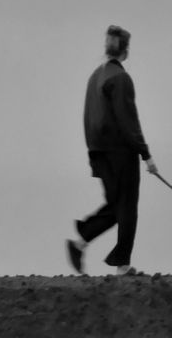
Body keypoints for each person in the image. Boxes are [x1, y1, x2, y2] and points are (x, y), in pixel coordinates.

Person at [66, 25, 158, 276]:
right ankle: (122, 265)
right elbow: (128, 121)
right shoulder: (121, 79)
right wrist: (146, 154)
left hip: (98, 151)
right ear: (126, 52)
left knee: (117, 206)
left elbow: (87, 117)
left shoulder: (95, 76)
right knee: (127, 206)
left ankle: (81, 241)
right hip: (120, 152)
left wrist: (93, 151)